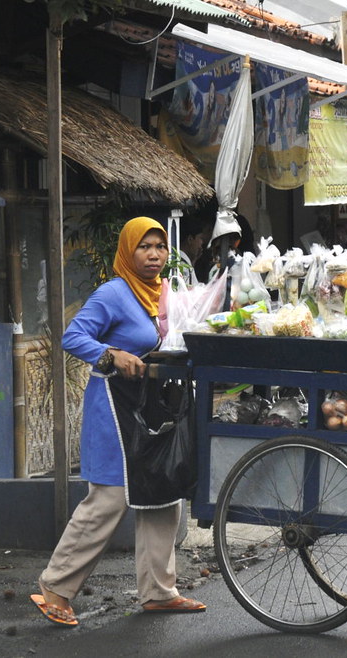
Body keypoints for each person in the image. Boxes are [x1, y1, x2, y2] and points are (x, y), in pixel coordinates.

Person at [31, 217, 205, 628]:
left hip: (151, 404)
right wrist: (112, 354)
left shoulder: (165, 294)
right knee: (108, 497)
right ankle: (55, 587)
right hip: (112, 405)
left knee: (163, 491)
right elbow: (72, 337)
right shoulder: (113, 293)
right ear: (128, 251)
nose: (154, 255)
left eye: (160, 247)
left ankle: (159, 592)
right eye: (144, 247)